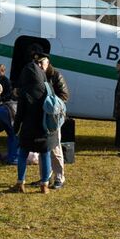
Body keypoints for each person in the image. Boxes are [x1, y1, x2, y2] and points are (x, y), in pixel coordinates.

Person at [10, 50, 52, 194]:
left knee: (22, 154)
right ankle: (44, 185)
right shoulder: (47, 86)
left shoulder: (24, 91)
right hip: (44, 126)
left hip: (28, 127)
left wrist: (15, 129)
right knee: (45, 154)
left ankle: (20, 183)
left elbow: (19, 113)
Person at [45, 61, 70, 190]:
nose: (39, 64)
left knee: (55, 147)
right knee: (43, 148)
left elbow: (64, 95)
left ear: (47, 63)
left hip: (53, 117)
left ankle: (59, 177)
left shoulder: (56, 75)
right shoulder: (38, 75)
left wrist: (52, 103)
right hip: (41, 116)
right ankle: (45, 177)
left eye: (41, 62)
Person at [0, 98, 20, 164]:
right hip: (7, 112)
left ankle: (10, 156)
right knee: (16, 136)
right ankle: (14, 159)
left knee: (11, 135)